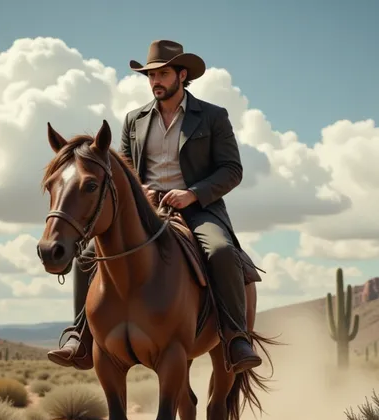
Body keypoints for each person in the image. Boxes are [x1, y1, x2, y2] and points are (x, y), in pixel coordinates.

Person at [47, 39, 262, 373]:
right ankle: (80, 337)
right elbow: (121, 168)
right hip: (146, 209)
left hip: (198, 208)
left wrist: (192, 193)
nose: (156, 81)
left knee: (220, 251)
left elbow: (232, 170)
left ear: (181, 74)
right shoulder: (135, 119)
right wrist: (141, 190)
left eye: (162, 74)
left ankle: (235, 338)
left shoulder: (213, 117)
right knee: (89, 255)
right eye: (151, 76)